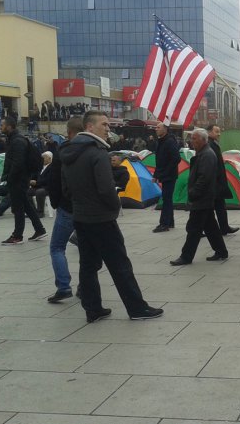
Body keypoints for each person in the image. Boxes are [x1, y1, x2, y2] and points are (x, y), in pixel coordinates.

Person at [60, 110, 163, 322]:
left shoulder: (68, 152)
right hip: (101, 219)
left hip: (81, 216)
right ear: (89, 127)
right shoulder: (97, 153)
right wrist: (114, 207)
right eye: (104, 124)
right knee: (120, 265)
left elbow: (66, 189)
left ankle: (92, 308)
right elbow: (107, 190)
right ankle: (137, 308)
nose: (108, 129)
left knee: (88, 265)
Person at [170, 129, 228, 266]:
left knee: (193, 228)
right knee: (211, 227)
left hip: (202, 197)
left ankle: (186, 256)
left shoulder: (207, 155)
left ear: (203, 140)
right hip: (204, 198)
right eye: (192, 138)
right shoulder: (203, 153)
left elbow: (204, 177)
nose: (192, 141)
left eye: (195, 139)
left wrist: (194, 192)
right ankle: (221, 251)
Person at [46, 116, 84, 303]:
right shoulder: (92, 150)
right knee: (87, 248)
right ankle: (85, 285)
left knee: (57, 247)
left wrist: (55, 202)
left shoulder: (62, 153)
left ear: (69, 133)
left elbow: (53, 180)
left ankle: (63, 286)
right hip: (88, 208)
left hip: (67, 207)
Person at [0, 117, 47, 245]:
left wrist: (9, 177)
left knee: (18, 207)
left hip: (18, 179)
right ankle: (40, 229)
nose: (0, 127)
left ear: (9, 126)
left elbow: (18, 163)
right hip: (19, 178)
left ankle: (17, 236)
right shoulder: (12, 139)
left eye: (2, 125)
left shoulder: (17, 141)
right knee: (26, 205)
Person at [206, 124, 239, 235]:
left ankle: (224, 227)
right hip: (214, 182)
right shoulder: (210, 145)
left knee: (219, 206)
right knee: (211, 208)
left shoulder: (214, 144)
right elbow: (210, 165)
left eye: (219, 131)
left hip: (217, 182)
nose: (219, 134)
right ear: (209, 132)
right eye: (216, 131)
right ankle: (206, 228)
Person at [152, 122, 180, 233]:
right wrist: (156, 175)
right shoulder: (161, 141)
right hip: (164, 174)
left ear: (165, 130)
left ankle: (164, 224)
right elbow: (160, 161)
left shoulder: (169, 142)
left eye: (158, 127)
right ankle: (170, 222)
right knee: (167, 199)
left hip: (169, 176)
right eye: (156, 127)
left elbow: (176, 159)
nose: (156, 129)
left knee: (166, 199)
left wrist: (165, 173)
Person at [27, 151, 52, 217]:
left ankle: (40, 212)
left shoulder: (52, 167)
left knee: (39, 192)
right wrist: (31, 180)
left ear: (50, 159)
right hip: (38, 186)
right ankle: (33, 211)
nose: (42, 159)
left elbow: (48, 180)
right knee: (26, 192)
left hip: (47, 187)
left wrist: (36, 182)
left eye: (44, 158)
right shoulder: (40, 167)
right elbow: (34, 176)